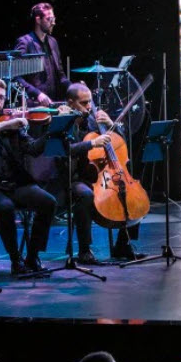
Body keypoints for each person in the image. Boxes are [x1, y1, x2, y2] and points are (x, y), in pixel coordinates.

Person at [0, 78, 57, 274]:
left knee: (48, 202)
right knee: (5, 207)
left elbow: (33, 148)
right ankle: (16, 261)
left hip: (14, 184)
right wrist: (2, 127)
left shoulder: (10, 123)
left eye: (1, 97)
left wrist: (51, 130)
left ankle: (32, 257)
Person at [63, 83, 142, 263]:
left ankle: (123, 245)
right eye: (84, 103)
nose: (89, 107)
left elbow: (119, 143)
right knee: (85, 195)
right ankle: (84, 250)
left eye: (90, 102)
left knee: (131, 191)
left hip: (99, 174)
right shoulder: (64, 122)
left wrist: (111, 124)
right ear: (71, 103)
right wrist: (92, 144)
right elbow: (65, 149)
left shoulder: (93, 120)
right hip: (73, 176)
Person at [14, 2, 69, 105]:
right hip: (32, 105)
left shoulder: (53, 42)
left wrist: (73, 88)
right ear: (38, 20)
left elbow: (61, 75)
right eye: (49, 19)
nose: (53, 23)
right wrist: (37, 94)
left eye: (54, 19)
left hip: (53, 103)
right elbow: (16, 77)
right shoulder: (25, 43)